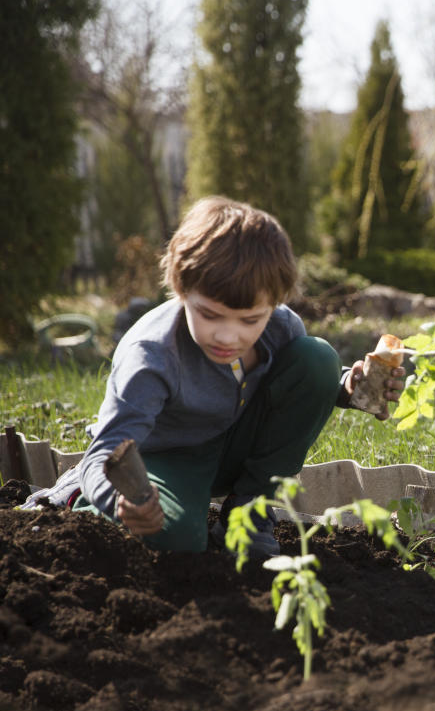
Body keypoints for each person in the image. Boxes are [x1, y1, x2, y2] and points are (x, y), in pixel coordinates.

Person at [24, 196, 404, 558]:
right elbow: (103, 455)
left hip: (233, 444)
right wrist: (119, 501)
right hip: (167, 459)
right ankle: (76, 501)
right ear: (181, 289)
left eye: (250, 320)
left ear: (272, 304)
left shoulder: (281, 327)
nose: (228, 336)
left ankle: (249, 515)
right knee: (176, 538)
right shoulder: (151, 353)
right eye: (210, 315)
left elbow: (300, 382)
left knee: (318, 357)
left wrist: (348, 386)